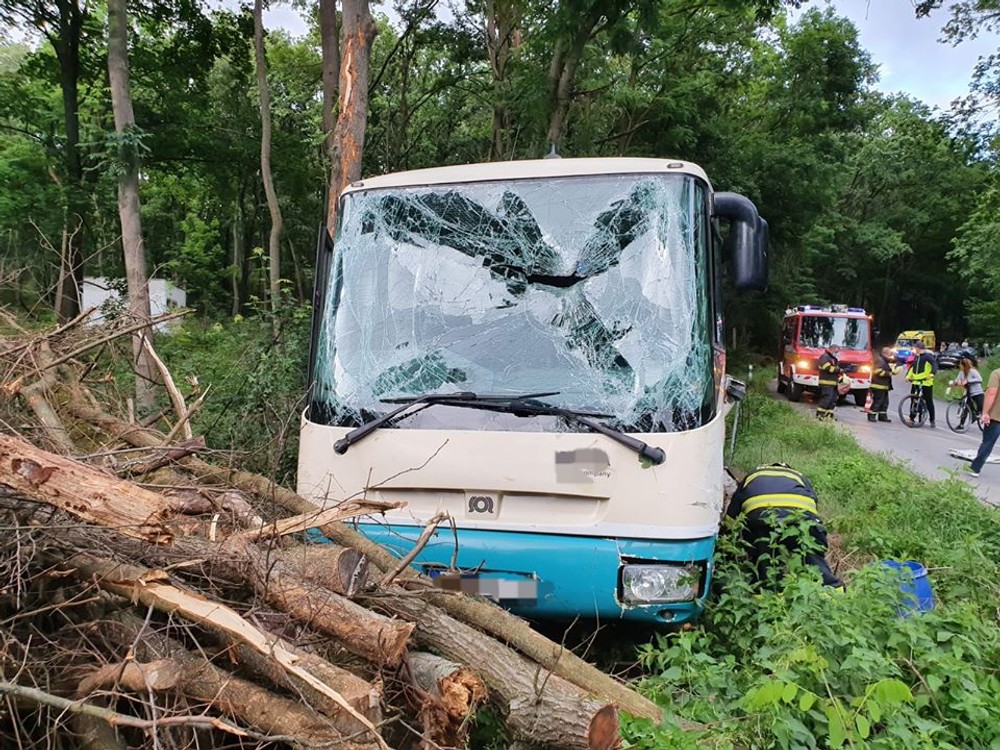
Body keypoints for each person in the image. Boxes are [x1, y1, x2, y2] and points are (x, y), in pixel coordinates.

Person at [726, 463, 844, 590]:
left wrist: (726, 548)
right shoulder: (798, 476)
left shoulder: (751, 477)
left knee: (767, 571)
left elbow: (731, 518)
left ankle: (768, 599)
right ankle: (833, 592)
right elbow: (813, 504)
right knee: (814, 562)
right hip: (803, 520)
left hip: (762, 521)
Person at [967, 367, 1000, 478]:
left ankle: (975, 468)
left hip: (996, 416)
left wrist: (985, 412)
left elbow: (991, 393)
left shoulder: (997, 373)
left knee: (988, 443)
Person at [905, 340, 937, 427]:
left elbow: (934, 365)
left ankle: (932, 420)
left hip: (926, 382)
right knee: (914, 400)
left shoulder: (928, 357)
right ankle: (912, 418)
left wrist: (932, 374)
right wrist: (908, 376)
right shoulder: (916, 357)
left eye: (916, 348)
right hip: (916, 382)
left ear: (919, 348)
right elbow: (912, 368)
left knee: (929, 401)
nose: (914, 349)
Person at [951, 357, 984, 427]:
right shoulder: (961, 372)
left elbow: (980, 379)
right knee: (966, 408)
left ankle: (981, 417)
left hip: (977, 392)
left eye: (961, 365)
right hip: (968, 393)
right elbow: (957, 379)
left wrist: (968, 381)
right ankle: (961, 424)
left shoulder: (972, 371)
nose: (960, 366)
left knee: (980, 407)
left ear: (964, 365)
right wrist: (957, 382)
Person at [868, 346, 898, 423]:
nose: (891, 355)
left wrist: (895, 356)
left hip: (883, 386)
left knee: (885, 402)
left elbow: (893, 361)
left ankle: (882, 416)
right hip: (878, 385)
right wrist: (889, 373)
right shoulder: (880, 361)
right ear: (886, 353)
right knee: (878, 401)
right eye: (890, 353)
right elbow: (877, 371)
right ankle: (871, 415)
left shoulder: (884, 360)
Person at [816, 343, 840, 421]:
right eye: (836, 351)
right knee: (826, 399)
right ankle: (820, 415)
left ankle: (828, 415)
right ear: (832, 349)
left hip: (833, 383)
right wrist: (838, 370)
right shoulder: (825, 357)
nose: (837, 353)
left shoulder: (831, 358)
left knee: (832, 400)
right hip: (826, 382)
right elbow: (826, 367)